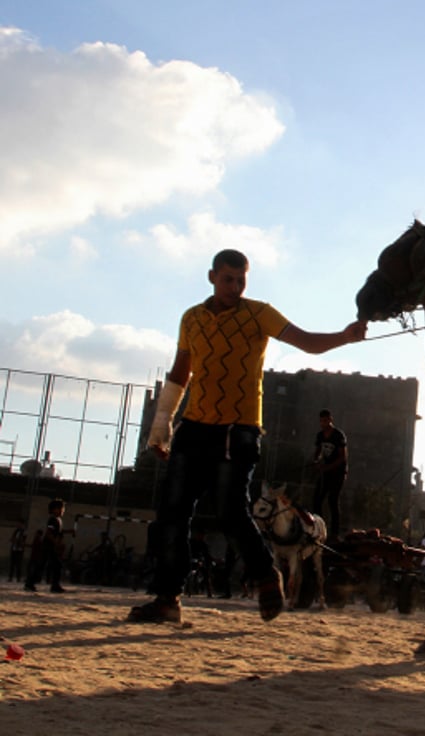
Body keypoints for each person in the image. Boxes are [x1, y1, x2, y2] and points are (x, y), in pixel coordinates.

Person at [128, 248, 367, 624]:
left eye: (241, 280)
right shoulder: (191, 318)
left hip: (237, 429)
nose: (235, 287)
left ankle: (264, 575)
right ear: (212, 277)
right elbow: (179, 373)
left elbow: (306, 342)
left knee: (230, 510)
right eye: (228, 279)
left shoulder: (259, 314)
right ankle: (167, 599)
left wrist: (345, 337)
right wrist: (161, 428)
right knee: (171, 513)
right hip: (193, 426)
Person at [309, 409, 348, 537]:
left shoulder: (338, 435)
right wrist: (315, 461)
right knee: (317, 499)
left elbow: (343, 457)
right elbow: (317, 450)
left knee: (332, 500)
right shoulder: (320, 435)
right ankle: (318, 528)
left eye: (325, 421)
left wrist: (328, 467)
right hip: (325, 472)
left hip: (338, 473)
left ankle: (334, 533)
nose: (323, 423)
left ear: (330, 420)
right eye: (321, 421)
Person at [40, 499, 72, 593]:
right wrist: (56, 543)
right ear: (55, 509)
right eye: (61, 508)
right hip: (48, 546)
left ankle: (55, 586)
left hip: (52, 546)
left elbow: (58, 532)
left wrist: (69, 531)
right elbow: (49, 533)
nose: (63, 510)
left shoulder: (58, 520)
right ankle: (54, 586)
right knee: (49, 565)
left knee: (54, 565)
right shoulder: (52, 519)